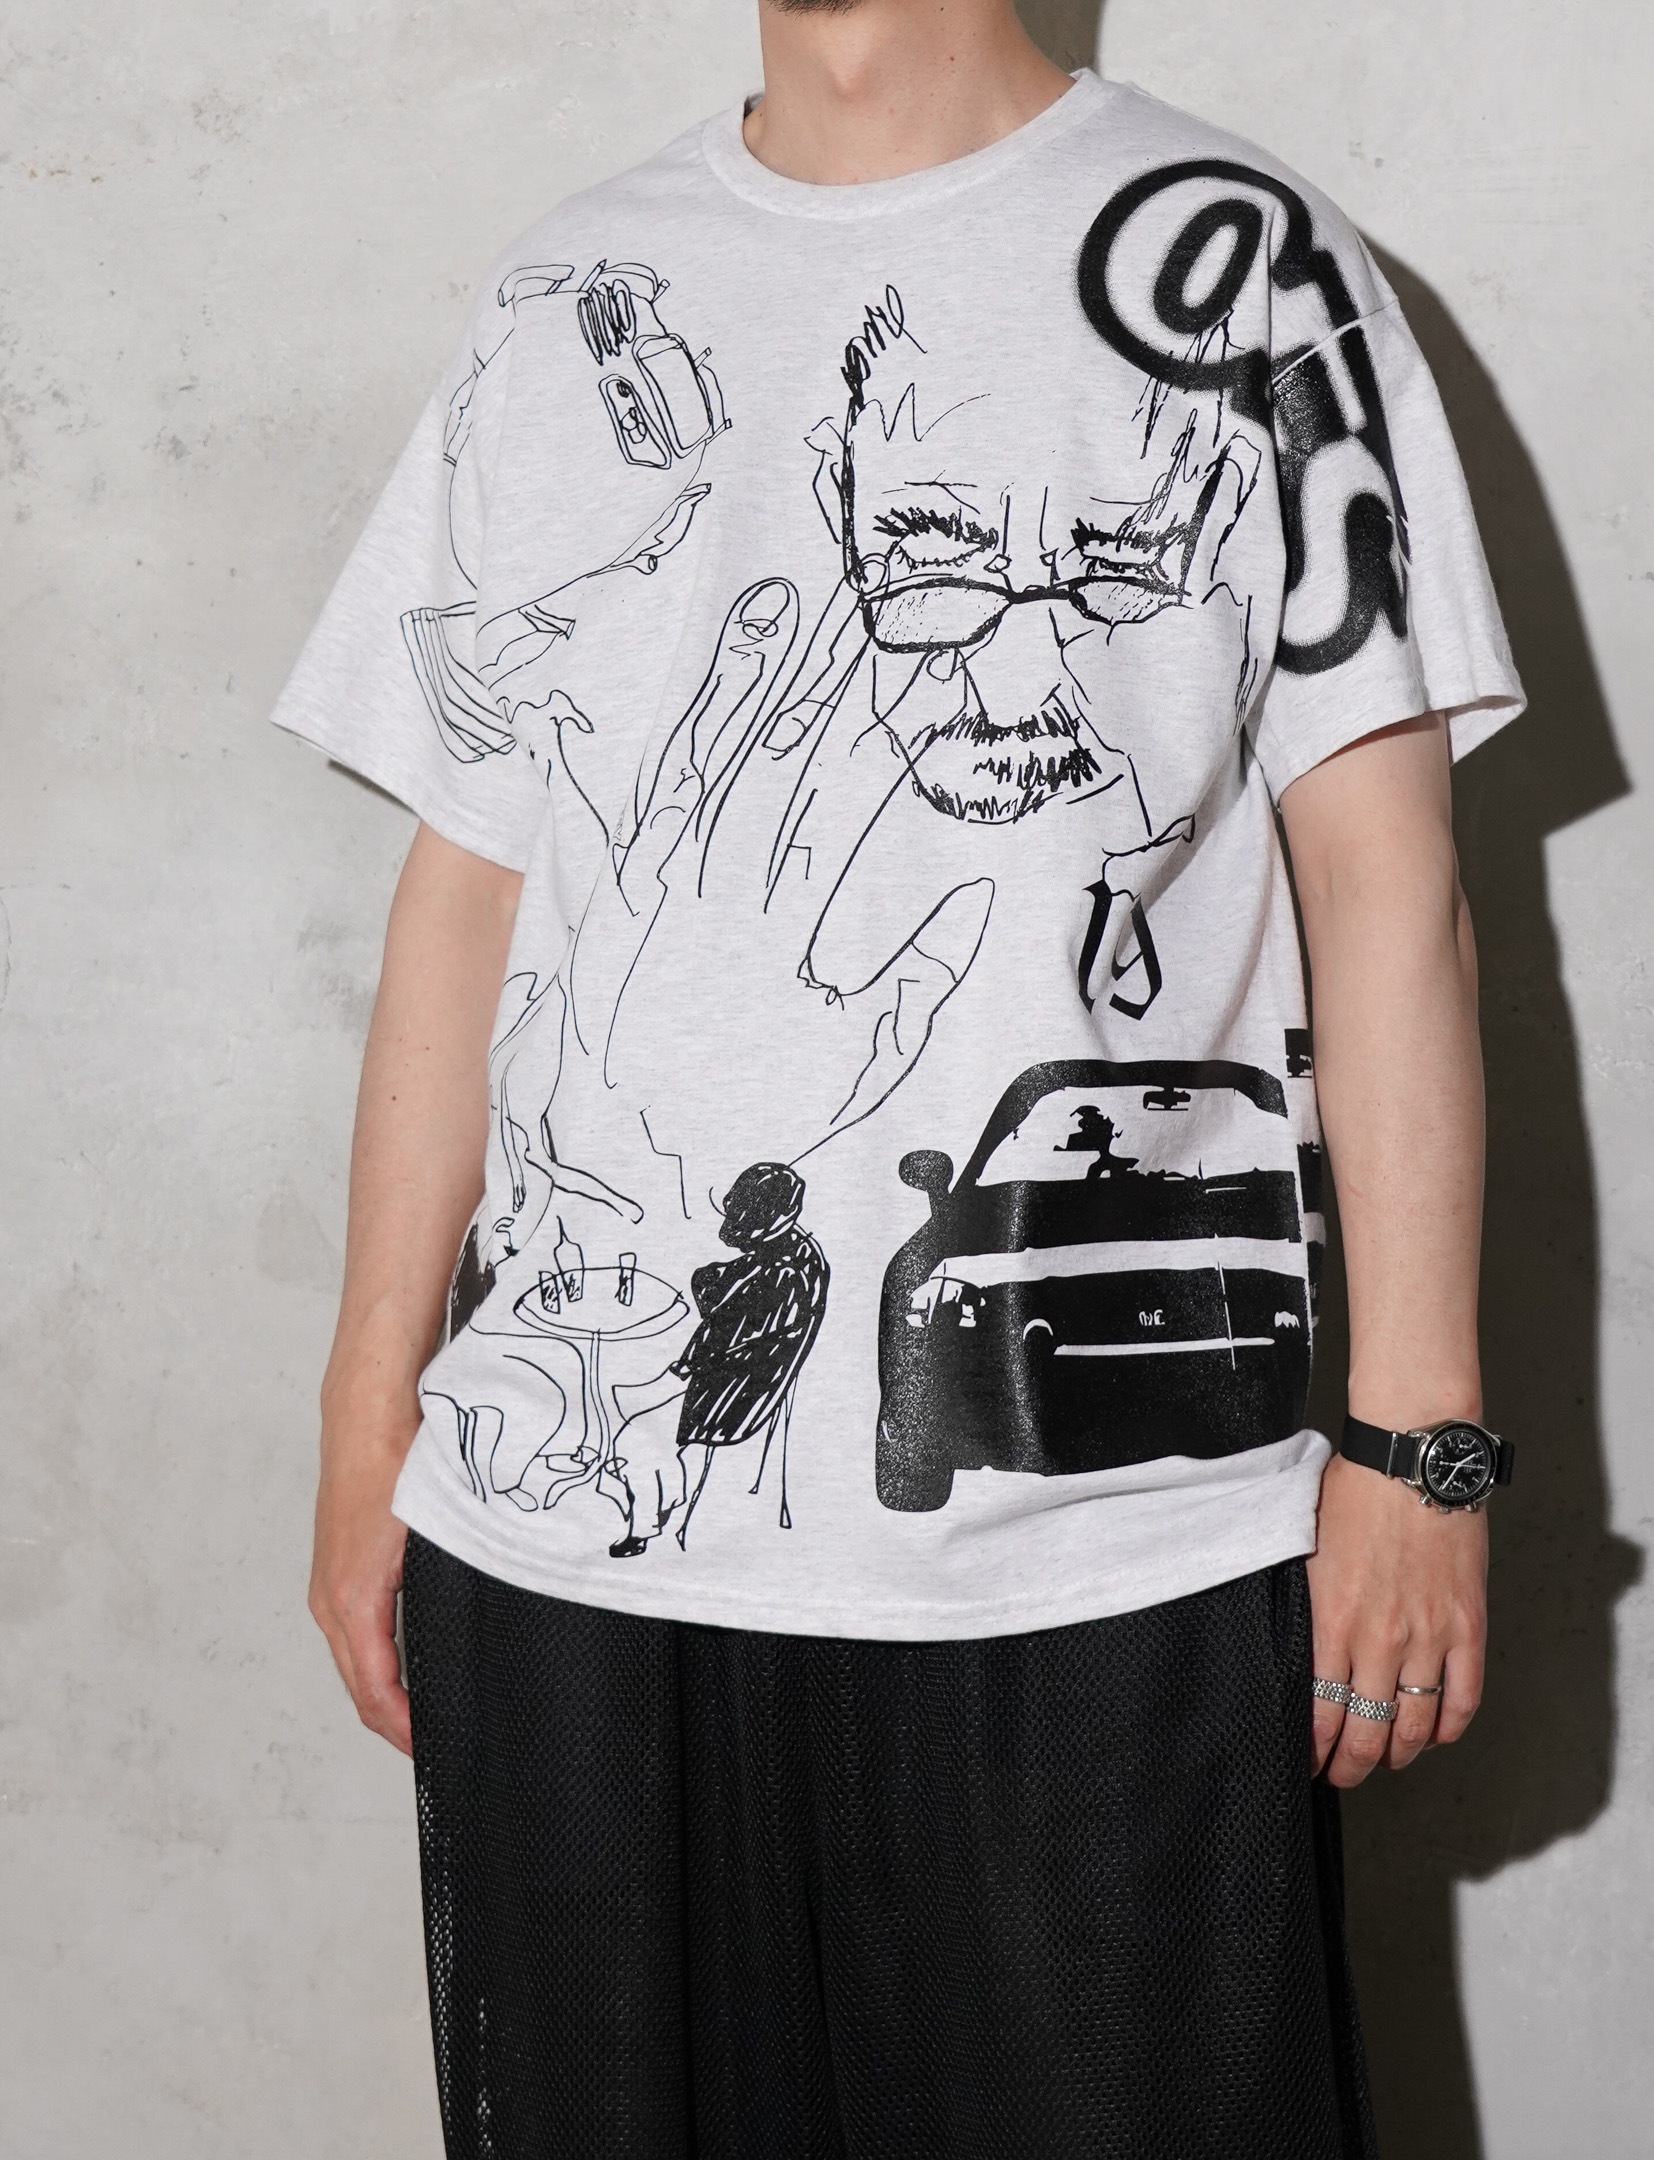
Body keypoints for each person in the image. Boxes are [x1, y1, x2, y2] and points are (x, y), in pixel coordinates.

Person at [276, 2, 1522, 2152]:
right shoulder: (577, 293)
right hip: (574, 1558)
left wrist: (1421, 1447)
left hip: (1108, 1565)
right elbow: (465, 892)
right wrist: (361, 1412)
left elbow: (1386, 879)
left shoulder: (1241, 262)